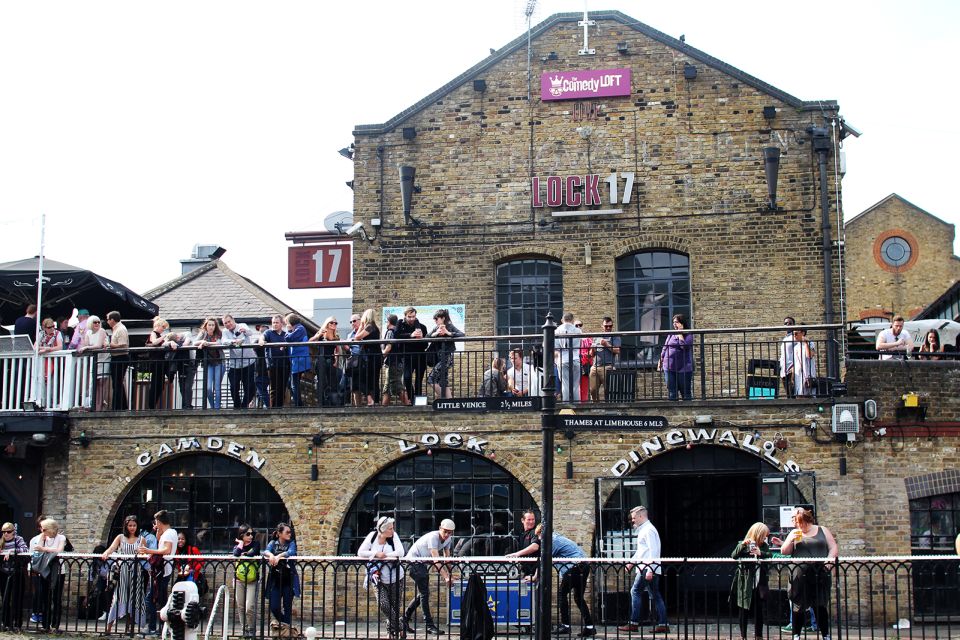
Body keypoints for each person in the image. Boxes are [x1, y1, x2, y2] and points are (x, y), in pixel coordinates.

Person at [779, 507, 838, 640]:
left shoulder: (822, 530)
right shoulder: (795, 532)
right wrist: (790, 540)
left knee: (820, 605)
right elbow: (784, 551)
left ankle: (825, 635)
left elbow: (833, 546)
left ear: (806, 520)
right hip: (800, 573)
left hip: (820, 572)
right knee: (798, 605)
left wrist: (829, 559)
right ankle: (796, 635)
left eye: (800, 523)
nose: (798, 526)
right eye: (796, 523)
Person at [528, 525, 595, 637]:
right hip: (582, 566)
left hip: (574, 568)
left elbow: (544, 560)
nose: (539, 539)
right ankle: (590, 627)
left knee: (561, 594)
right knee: (578, 598)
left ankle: (565, 626)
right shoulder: (558, 538)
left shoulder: (553, 541)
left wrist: (535, 577)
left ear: (543, 533)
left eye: (539, 536)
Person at [619, 506, 668, 634]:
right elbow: (642, 551)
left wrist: (650, 569)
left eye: (634, 518)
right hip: (647, 567)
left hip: (646, 568)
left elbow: (654, 551)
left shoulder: (648, 530)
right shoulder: (646, 529)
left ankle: (633, 623)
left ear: (641, 516)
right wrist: (631, 562)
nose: (633, 521)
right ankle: (663, 624)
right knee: (656, 595)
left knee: (635, 591)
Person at [403, 518, 456, 635]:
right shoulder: (433, 537)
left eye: (450, 532)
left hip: (421, 564)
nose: (447, 534)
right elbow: (436, 559)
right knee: (424, 594)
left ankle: (404, 619)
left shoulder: (448, 540)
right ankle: (429, 625)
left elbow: (447, 559)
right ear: (440, 529)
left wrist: (451, 575)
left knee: (423, 593)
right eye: (445, 531)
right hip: (414, 563)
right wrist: (446, 577)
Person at [730, 522, 782, 640]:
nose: (765, 538)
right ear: (758, 534)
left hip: (760, 582)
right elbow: (733, 555)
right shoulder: (743, 544)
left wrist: (760, 553)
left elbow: (769, 556)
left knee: (759, 609)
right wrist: (743, 545)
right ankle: (743, 635)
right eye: (764, 535)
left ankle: (759, 635)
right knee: (744, 608)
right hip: (745, 582)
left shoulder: (764, 546)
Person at [358, 516, 406, 639]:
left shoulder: (394, 536)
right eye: (390, 528)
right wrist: (375, 554)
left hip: (396, 576)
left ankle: (391, 632)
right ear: (382, 530)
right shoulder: (372, 536)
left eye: (392, 527)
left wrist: (385, 556)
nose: (393, 530)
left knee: (394, 606)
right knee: (384, 604)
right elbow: (361, 552)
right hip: (377, 578)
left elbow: (401, 552)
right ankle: (401, 626)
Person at [101, 515, 146, 633]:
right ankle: (108, 628)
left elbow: (144, 554)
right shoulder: (120, 537)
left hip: (136, 570)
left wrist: (141, 553)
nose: (132, 528)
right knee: (118, 597)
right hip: (123, 569)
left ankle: (130, 628)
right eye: (130, 525)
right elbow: (111, 548)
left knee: (134, 598)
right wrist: (106, 553)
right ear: (126, 526)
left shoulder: (141, 539)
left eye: (134, 525)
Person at [138, 510, 178, 632]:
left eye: (156, 522)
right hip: (163, 569)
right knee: (160, 598)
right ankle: (162, 627)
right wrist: (158, 531)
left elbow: (166, 550)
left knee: (152, 598)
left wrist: (148, 551)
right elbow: (161, 543)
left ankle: (154, 628)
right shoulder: (170, 532)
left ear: (159, 521)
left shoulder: (168, 534)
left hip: (162, 569)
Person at [29, 517, 66, 632]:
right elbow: (37, 550)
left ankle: (55, 625)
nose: (42, 531)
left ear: (51, 529)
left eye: (44, 529)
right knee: (45, 597)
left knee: (56, 598)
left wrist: (44, 548)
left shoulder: (61, 537)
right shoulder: (42, 536)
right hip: (45, 570)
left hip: (59, 571)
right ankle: (45, 625)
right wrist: (42, 540)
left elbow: (59, 550)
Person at [264, 523, 299, 626]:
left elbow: (292, 552)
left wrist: (279, 555)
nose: (289, 534)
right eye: (287, 532)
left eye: (290, 532)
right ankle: (286, 625)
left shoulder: (291, 543)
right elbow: (266, 551)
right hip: (275, 579)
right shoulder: (273, 543)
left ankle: (286, 633)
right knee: (274, 607)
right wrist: (271, 555)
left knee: (287, 607)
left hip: (288, 579)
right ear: (279, 533)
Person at [426, 309, 464, 399]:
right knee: (443, 381)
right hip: (439, 358)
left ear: (443, 318)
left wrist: (448, 333)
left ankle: (444, 399)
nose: (435, 321)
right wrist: (436, 334)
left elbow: (462, 335)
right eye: (434, 319)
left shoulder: (449, 326)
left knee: (431, 379)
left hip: (446, 358)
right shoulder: (436, 328)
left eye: (437, 319)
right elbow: (427, 337)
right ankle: (449, 402)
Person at [233, 524, 262, 638]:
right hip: (239, 579)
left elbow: (252, 553)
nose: (251, 536)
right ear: (241, 535)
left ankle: (251, 629)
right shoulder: (238, 546)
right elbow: (235, 554)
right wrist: (240, 545)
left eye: (252, 534)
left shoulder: (256, 544)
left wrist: (243, 554)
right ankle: (244, 629)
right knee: (240, 606)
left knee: (249, 606)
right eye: (248, 534)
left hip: (252, 580)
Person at [222, 314, 257, 409]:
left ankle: (244, 405)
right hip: (235, 364)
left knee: (249, 387)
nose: (228, 324)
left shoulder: (242, 325)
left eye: (229, 321)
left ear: (233, 320)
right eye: (225, 323)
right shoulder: (225, 332)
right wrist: (233, 342)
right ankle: (237, 406)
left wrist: (244, 331)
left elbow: (250, 333)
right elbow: (223, 341)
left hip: (248, 362)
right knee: (233, 387)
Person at [395, 307, 430, 402]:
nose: (411, 319)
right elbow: (396, 336)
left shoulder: (422, 327)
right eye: (409, 316)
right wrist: (410, 335)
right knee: (406, 377)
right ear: (405, 316)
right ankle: (411, 397)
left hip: (420, 356)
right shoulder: (401, 325)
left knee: (419, 380)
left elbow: (425, 345)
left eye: (413, 316)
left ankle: (418, 400)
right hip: (407, 356)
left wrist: (422, 338)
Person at [658, 313, 694, 401]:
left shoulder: (688, 335)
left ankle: (688, 413)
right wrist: (660, 360)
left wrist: (680, 334)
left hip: (683, 367)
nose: (674, 324)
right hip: (669, 367)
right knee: (672, 392)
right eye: (673, 322)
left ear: (682, 323)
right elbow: (665, 347)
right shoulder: (671, 334)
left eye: (677, 322)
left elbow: (684, 347)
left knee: (685, 393)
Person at [78, 315, 111, 409]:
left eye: (98, 322)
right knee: (95, 382)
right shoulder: (88, 332)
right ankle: (95, 404)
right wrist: (82, 336)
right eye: (94, 322)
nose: (97, 324)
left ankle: (99, 405)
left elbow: (98, 345)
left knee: (102, 382)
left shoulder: (102, 331)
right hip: (95, 359)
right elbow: (85, 344)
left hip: (104, 358)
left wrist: (87, 347)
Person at [311, 315, 344, 406]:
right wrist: (318, 335)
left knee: (333, 382)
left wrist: (336, 360)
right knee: (322, 382)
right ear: (327, 323)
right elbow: (310, 341)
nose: (334, 324)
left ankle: (332, 403)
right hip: (321, 360)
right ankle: (321, 403)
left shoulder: (336, 336)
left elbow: (337, 350)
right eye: (332, 322)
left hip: (331, 361)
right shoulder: (321, 333)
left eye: (335, 323)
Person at [1, 522, 28, 631]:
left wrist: (11, 551)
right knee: (5, 598)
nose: (6, 534)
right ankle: (5, 623)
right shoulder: (1, 541)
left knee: (17, 598)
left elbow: (25, 550)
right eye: (3, 532)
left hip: (17, 573)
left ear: (13, 532)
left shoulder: (18, 539)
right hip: (4, 573)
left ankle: (17, 624)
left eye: (8, 532)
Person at [195, 318, 225, 409]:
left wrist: (207, 343)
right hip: (208, 363)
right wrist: (202, 341)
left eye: (213, 325)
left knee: (217, 387)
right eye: (209, 325)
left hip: (219, 362)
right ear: (206, 326)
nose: (211, 327)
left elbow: (219, 343)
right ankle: (213, 407)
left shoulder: (219, 334)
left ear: (215, 326)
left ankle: (217, 408)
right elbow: (194, 342)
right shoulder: (203, 333)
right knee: (208, 388)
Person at [354, 308, 383, 406]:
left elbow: (357, 337)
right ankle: (374, 401)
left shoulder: (370, 327)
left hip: (371, 357)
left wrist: (361, 326)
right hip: (375, 357)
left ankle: (371, 399)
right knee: (373, 380)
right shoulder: (374, 327)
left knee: (363, 379)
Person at [589, 317, 621, 401]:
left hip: (608, 366)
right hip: (595, 366)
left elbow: (617, 350)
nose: (608, 328)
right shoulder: (597, 336)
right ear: (602, 326)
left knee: (609, 390)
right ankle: (596, 406)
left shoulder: (615, 336)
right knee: (593, 390)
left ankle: (610, 407)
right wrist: (592, 349)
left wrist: (606, 344)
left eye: (610, 326)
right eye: (606, 326)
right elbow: (591, 354)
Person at [163, 331, 197, 409]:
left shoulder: (187, 334)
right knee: (181, 387)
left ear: (178, 337)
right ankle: (185, 405)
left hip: (191, 365)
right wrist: (171, 342)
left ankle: (188, 406)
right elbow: (164, 343)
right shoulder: (174, 339)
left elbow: (185, 344)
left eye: (177, 340)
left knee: (187, 386)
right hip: (181, 366)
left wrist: (177, 344)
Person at [261, 315, 290, 408]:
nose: (274, 324)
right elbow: (262, 337)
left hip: (285, 364)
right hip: (272, 364)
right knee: (274, 388)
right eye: (273, 322)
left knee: (282, 387)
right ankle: (274, 409)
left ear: (282, 324)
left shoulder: (285, 335)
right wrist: (261, 341)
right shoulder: (268, 333)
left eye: (277, 322)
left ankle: (280, 408)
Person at [381, 314, 409, 406]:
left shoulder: (390, 332)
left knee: (396, 386)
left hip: (393, 362)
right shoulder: (397, 332)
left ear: (388, 322)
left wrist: (382, 357)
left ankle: (407, 404)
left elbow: (388, 346)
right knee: (388, 388)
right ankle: (383, 409)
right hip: (397, 362)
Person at [283, 314, 311, 406]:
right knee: (291, 383)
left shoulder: (300, 328)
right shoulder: (298, 329)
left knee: (294, 384)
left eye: (287, 322)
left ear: (290, 322)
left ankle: (298, 405)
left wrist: (288, 330)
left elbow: (288, 338)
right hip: (296, 360)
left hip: (299, 360)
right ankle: (299, 403)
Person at [780, 327, 817, 397]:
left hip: (808, 375)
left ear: (802, 333)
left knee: (809, 396)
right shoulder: (796, 347)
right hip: (798, 375)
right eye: (793, 334)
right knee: (799, 395)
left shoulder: (810, 343)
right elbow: (795, 362)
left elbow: (809, 355)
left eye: (796, 334)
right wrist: (792, 377)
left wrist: (806, 343)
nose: (794, 336)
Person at [105, 311, 130, 410]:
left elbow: (123, 345)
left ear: (112, 320)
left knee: (117, 383)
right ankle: (121, 406)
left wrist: (110, 345)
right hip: (117, 357)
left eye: (108, 319)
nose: (107, 321)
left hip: (120, 357)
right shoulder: (117, 329)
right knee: (117, 383)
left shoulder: (121, 329)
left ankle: (118, 406)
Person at [555, 312, 582, 402]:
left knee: (565, 384)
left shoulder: (557, 330)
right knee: (575, 385)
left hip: (563, 359)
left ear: (562, 320)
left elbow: (556, 347)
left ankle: (566, 405)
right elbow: (580, 344)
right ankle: (577, 405)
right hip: (575, 359)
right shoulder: (578, 330)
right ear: (572, 320)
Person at [505, 510, 540, 582]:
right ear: (522, 520)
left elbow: (535, 547)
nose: (531, 522)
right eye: (529, 519)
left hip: (535, 572)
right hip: (526, 571)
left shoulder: (535, 532)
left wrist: (517, 554)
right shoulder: (521, 533)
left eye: (533, 519)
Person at [145, 317, 170, 410]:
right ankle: (151, 406)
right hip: (156, 362)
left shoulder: (159, 335)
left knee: (160, 386)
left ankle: (152, 405)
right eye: (163, 327)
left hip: (160, 362)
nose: (163, 329)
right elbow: (154, 342)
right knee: (156, 385)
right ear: (158, 325)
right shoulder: (153, 334)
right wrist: (164, 337)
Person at [779, 318, 798, 397]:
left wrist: (794, 366)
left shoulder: (795, 337)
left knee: (792, 391)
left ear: (793, 325)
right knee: (788, 393)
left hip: (792, 368)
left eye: (790, 323)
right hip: (784, 369)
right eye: (785, 323)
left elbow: (798, 352)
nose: (787, 325)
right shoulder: (785, 339)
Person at [577, 321, 592, 401]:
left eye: (580, 325)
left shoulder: (587, 339)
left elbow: (592, 350)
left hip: (585, 364)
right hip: (574, 364)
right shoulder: (570, 339)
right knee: (575, 386)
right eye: (576, 325)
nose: (579, 326)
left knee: (584, 386)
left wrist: (588, 354)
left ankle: (583, 403)